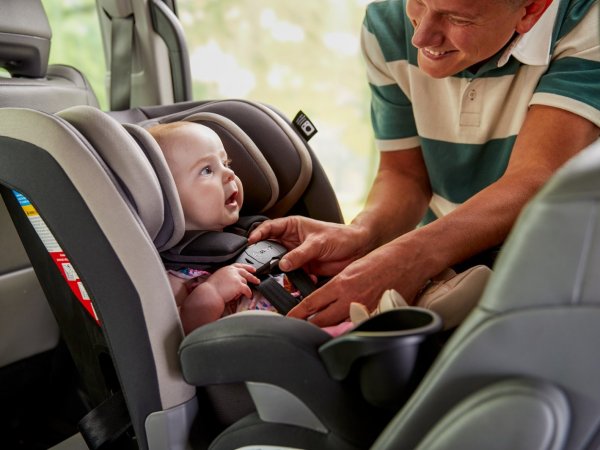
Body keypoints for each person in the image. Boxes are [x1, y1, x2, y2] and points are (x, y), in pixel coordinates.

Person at [248, 0, 600, 328]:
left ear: (531, 10)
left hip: (560, 276)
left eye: (457, 18)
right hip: (443, 260)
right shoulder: (388, 23)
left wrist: (409, 258)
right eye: (417, 1)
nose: (419, 37)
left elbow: (536, 180)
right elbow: (405, 174)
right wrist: (365, 235)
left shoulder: (587, 22)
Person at [148, 121, 281, 334]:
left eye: (226, 163)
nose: (229, 174)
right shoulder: (176, 276)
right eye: (207, 170)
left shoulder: (250, 232)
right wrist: (212, 292)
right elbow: (179, 335)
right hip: (264, 344)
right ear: (168, 199)